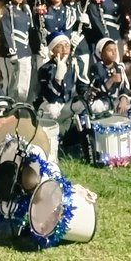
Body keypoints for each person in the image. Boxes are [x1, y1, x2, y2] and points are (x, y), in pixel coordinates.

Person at [35, 31, 82, 164]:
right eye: (59, 46)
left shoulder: (73, 64)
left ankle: (73, 141)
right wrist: (58, 78)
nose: (64, 49)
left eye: (67, 45)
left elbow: (80, 86)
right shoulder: (46, 68)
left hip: (65, 105)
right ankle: (52, 142)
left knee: (82, 105)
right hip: (50, 106)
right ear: (52, 50)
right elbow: (51, 97)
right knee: (52, 110)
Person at [0, 0, 34, 102]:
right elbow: (6, 32)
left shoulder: (25, 9)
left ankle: (21, 106)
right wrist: (12, 50)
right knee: (11, 83)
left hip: (25, 52)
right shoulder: (6, 10)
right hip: (11, 54)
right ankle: (7, 108)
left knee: (24, 83)